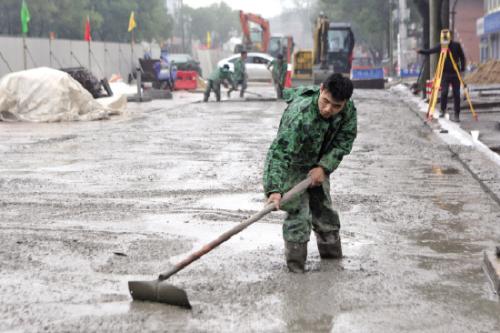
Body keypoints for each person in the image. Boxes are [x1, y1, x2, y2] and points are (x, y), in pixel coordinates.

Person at [263, 73, 357, 273]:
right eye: (326, 102)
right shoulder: (300, 113)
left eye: (336, 106)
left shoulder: (348, 110)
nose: (328, 110)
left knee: (325, 212)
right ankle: (296, 270)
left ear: (345, 103)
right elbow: (279, 152)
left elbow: (344, 140)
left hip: (319, 164)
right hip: (295, 163)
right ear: (321, 89)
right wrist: (274, 189)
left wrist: (324, 167)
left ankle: (332, 264)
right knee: (298, 214)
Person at [418, 30, 466, 122]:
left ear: (450, 36)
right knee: (444, 92)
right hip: (445, 74)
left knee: (456, 94)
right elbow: (430, 51)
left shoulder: (456, 45)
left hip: (455, 73)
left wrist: (462, 68)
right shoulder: (441, 46)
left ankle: (457, 114)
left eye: (447, 36)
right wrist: (421, 51)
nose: (445, 38)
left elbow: (462, 57)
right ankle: (443, 110)